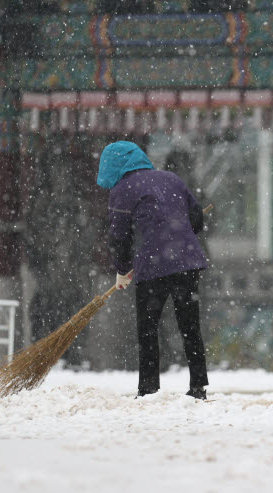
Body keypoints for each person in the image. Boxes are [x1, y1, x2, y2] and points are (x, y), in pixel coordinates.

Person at [97, 141, 210, 399]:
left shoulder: (122, 190)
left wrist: (123, 269)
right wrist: (178, 237)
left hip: (153, 266)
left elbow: (119, 237)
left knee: (148, 329)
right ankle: (198, 387)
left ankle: (148, 389)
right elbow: (197, 219)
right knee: (190, 326)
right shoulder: (171, 179)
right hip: (187, 263)